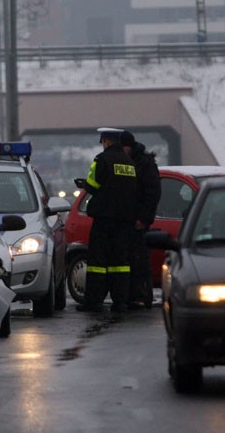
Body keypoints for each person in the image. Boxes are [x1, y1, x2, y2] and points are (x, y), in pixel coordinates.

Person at [75, 127, 137, 313]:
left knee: (97, 263)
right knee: (120, 263)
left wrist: (84, 184)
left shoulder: (101, 160)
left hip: (104, 219)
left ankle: (93, 302)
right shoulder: (129, 163)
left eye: (103, 142)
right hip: (124, 220)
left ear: (107, 141)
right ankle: (120, 302)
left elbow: (93, 186)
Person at [120, 130, 161, 309]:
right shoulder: (133, 161)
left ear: (128, 147)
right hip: (128, 220)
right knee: (129, 260)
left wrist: (143, 219)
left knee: (140, 261)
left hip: (138, 222)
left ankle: (143, 296)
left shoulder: (145, 163)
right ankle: (131, 295)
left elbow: (152, 193)